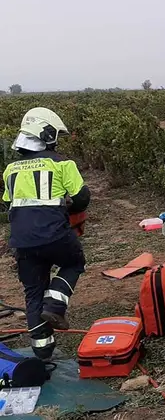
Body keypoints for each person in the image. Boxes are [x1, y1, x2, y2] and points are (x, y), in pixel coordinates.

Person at [2, 108, 90, 360]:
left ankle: (42, 350)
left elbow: (10, 203)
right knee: (74, 263)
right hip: (55, 235)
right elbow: (82, 197)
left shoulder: (10, 171)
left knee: (32, 291)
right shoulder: (62, 164)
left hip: (22, 241)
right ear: (47, 134)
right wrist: (69, 207)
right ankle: (55, 305)